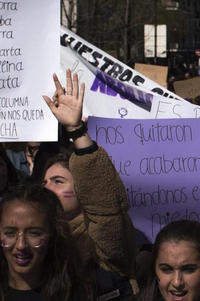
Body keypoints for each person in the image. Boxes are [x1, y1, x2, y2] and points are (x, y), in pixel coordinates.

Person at [35, 69, 139, 279]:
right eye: (44, 182)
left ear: (83, 188)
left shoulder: (101, 241)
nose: (47, 188)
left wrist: (76, 129)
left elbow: (102, 200)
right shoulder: (37, 239)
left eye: (58, 181)